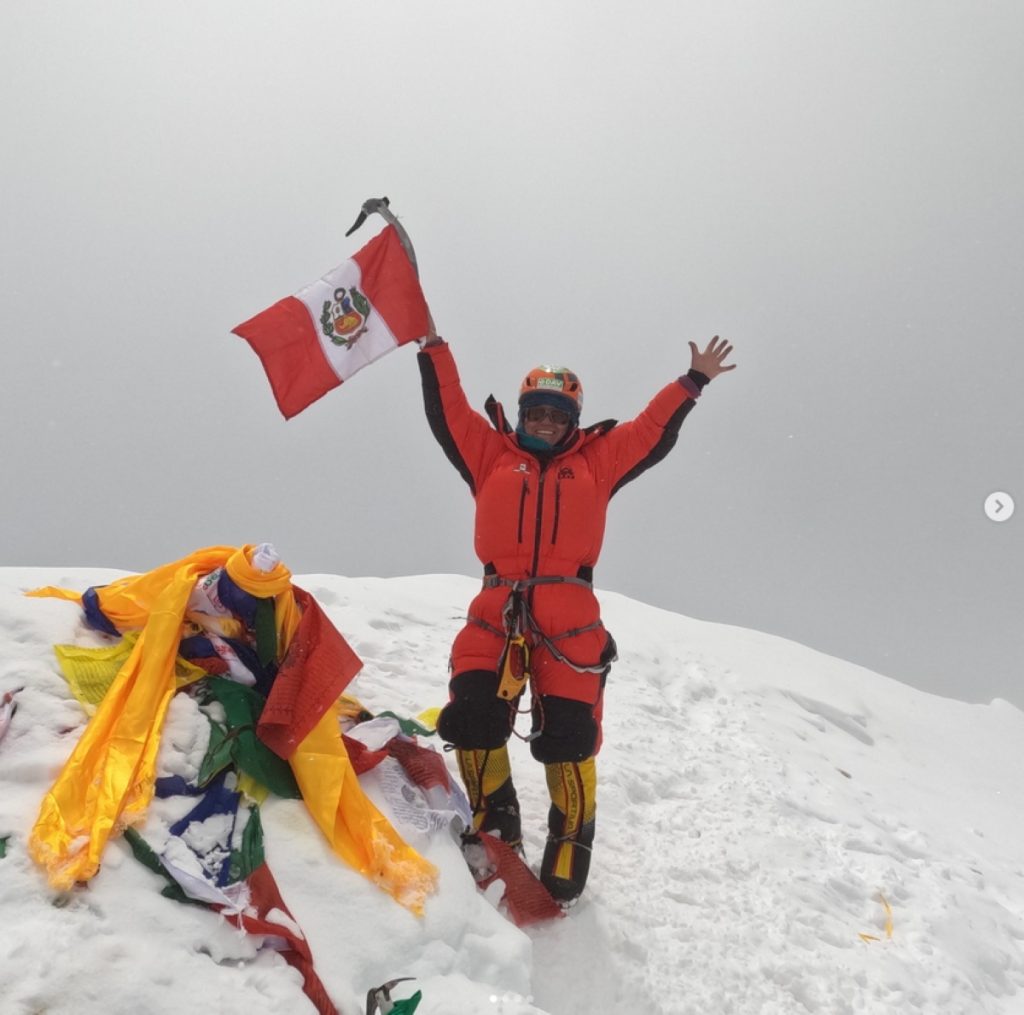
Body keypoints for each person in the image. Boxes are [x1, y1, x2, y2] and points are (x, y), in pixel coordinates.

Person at [417, 332, 736, 905]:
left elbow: (649, 432)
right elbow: (449, 409)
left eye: (556, 415)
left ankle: (570, 836)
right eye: (535, 412)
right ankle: (497, 813)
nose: (544, 422)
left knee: (569, 738)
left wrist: (692, 382)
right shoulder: (488, 453)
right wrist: (432, 348)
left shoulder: (599, 461)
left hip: (570, 618)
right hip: (496, 608)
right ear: (520, 416)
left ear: (573, 421)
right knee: (472, 716)